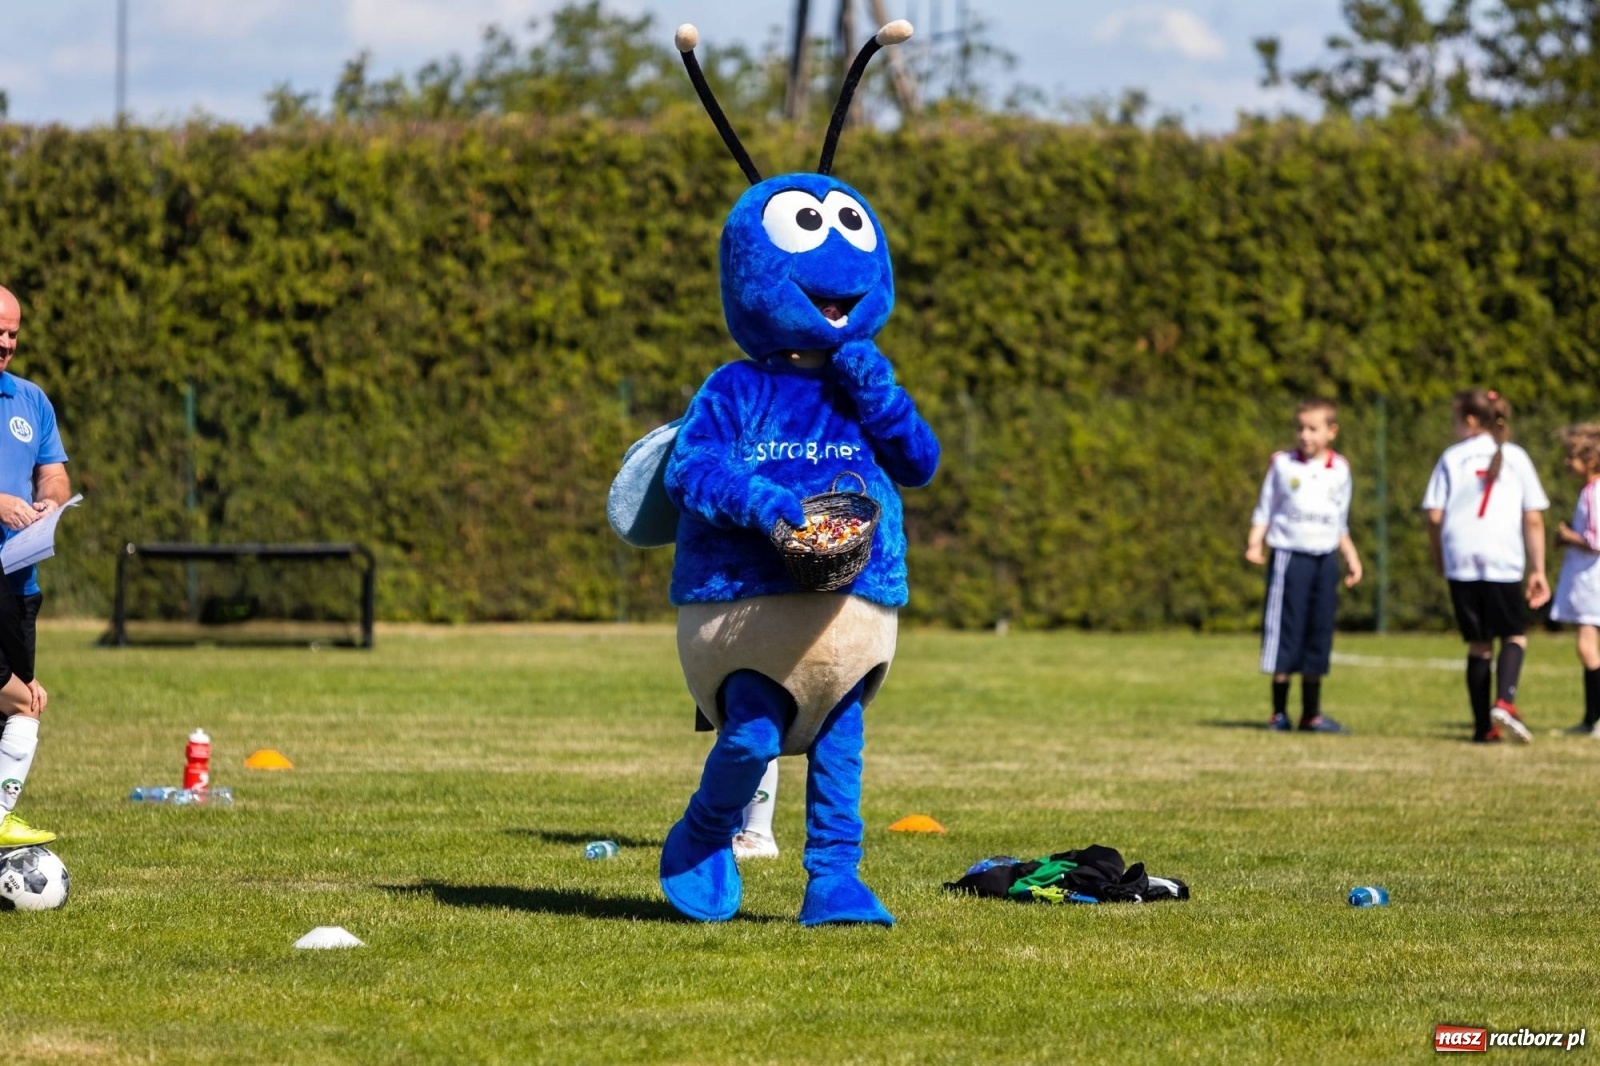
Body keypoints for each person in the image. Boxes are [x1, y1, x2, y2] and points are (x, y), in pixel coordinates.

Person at [1422, 389, 1549, 744]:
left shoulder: (1451, 457)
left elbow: (1434, 515)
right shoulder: (1516, 457)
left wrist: (1439, 556)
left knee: (1479, 645)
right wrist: (1538, 569)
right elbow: (1534, 518)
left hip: (1461, 557)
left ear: (1471, 421)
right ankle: (1505, 702)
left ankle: (1483, 729)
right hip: (1502, 556)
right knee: (1514, 635)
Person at [0, 285, 71, 845]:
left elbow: (53, 471)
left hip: (19, 582)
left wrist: (50, 497)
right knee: (22, 695)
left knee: (24, 705)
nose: (6, 342)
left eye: (14, 333)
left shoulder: (31, 400)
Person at [1246, 398, 1363, 733]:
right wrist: (1256, 542)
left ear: (1331, 432)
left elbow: (1339, 521)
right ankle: (1278, 713)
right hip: (1289, 556)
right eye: (1300, 428)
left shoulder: (1340, 469)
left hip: (1324, 559)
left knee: (1318, 633)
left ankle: (1311, 714)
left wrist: (1351, 557)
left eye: (1313, 429)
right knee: (1286, 632)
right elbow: (1265, 508)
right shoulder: (1282, 465)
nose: (1305, 435)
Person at [1549, 424, 1600, 737]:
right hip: (1587, 577)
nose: (1567, 462)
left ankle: (1596, 717)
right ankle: (1590, 717)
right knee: (1587, 648)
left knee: (1586, 646)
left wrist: (1568, 536)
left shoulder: (1594, 493)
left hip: (1591, 580)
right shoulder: (1589, 491)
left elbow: (1596, 540)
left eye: (1572, 457)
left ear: (1591, 460)